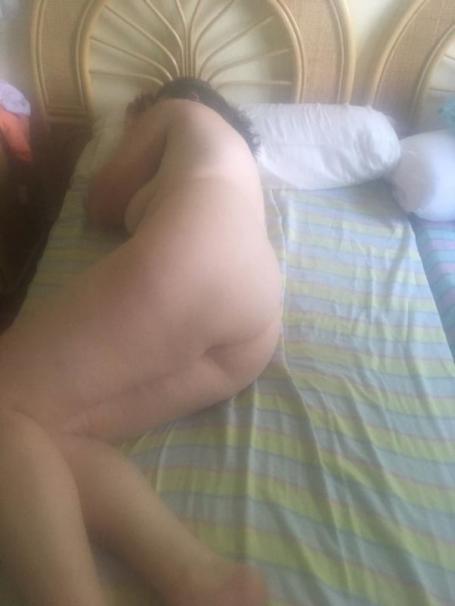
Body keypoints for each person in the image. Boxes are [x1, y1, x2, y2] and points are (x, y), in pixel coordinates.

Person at [0, 78, 282, 605]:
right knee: (35, 430)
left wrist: (131, 148)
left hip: (196, 262)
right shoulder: (232, 164)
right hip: (257, 323)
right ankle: (201, 578)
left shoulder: (179, 110)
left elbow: (101, 201)